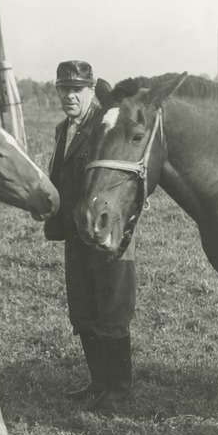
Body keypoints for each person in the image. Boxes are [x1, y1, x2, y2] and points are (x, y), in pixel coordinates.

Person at [43, 60, 137, 414]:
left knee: (112, 310)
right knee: (83, 310)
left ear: (90, 90)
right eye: (63, 89)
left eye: (77, 90)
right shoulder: (61, 129)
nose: (69, 96)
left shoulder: (106, 126)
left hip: (108, 235)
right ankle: (99, 382)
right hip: (74, 233)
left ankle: (118, 390)